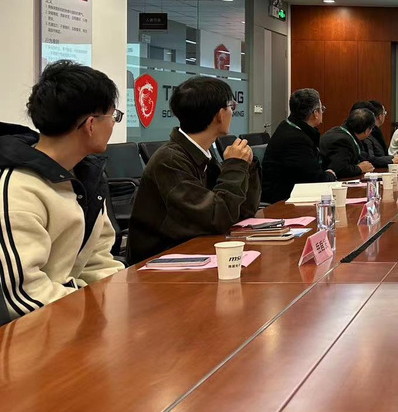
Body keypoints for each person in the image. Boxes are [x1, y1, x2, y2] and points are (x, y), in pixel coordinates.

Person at [0, 61, 124, 316]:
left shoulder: (86, 177)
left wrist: (121, 301)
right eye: (114, 116)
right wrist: (90, 311)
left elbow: (99, 261)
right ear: (91, 125)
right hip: (36, 328)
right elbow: (23, 296)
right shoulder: (18, 188)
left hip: (73, 313)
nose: (114, 124)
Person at [128, 76, 261, 264]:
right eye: (231, 106)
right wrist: (235, 166)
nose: (232, 111)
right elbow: (217, 218)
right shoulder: (170, 160)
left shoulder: (201, 153)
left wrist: (247, 166)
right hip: (162, 262)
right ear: (220, 115)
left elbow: (242, 212)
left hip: (194, 252)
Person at [261, 88, 335, 203]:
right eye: (322, 109)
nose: (322, 112)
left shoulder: (290, 127)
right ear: (315, 113)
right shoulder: (296, 139)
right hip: (283, 201)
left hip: (294, 193)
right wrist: (330, 175)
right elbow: (314, 179)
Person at [320, 108, 377, 178]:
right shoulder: (343, 141)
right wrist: (359, 168)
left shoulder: (340, 131)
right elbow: (340, 169)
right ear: (367, 130)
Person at [362, 100, 398, 168]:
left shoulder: (377, 132)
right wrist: (392, 160)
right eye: (384, 113)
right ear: (380, 116)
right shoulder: (367, 134)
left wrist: (394, 157)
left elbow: (381, 155)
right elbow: (370, 159)